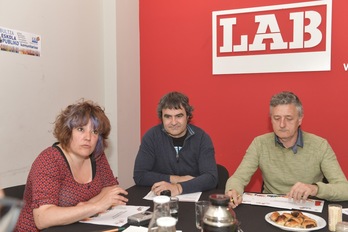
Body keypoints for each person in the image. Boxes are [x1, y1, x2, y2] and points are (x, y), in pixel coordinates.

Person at [15, 100, 128, 231]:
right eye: (81, 129)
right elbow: (43, 218)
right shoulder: (49, 160)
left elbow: (112, 190)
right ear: (67, 132)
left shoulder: (97, 155)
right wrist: (96, 207)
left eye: (95, 131)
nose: (88, 137)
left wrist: (86, 205)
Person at [226, 91, 348, 207]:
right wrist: (233, 191)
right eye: (277, 118)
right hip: (270, 208)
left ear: (300, 119)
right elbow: (238, 178)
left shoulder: (320, 145)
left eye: (289, 118)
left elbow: (344, 189)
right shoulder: (260, 143)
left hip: (308, 209)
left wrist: (315, 188)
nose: (282, 125)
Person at [133, 91, 218, 196]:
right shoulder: (152, 137)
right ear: (161, 118)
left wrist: (178, 188)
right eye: (168, 117)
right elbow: (140, 175)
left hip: (193, 199)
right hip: (160, 200)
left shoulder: (201, 138)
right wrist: (176, 179)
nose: (173, 122)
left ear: (187, 117)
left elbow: (211, 178)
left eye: (179, 116)